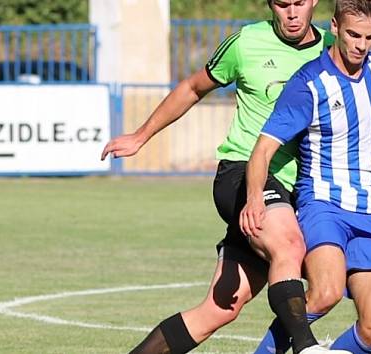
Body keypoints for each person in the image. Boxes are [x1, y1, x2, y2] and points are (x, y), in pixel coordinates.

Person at [100, 1, 349, 353]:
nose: (291, 13)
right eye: (282, 4)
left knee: (219, 310)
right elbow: (192, 87)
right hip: (242, 173)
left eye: (299, 2)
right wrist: (140, 136)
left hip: (300, 189)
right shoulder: (246, 42)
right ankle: (307, 347)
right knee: (289, 245)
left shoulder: (332, 47)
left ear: (314, 2)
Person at [240, 1, 371, 353]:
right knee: (325, 293)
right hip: (323, 205)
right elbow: (263, 149)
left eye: (370, 37)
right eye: (353, 35)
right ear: (335, 27)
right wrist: (254, 197)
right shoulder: (308, 83)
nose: (361, 45)